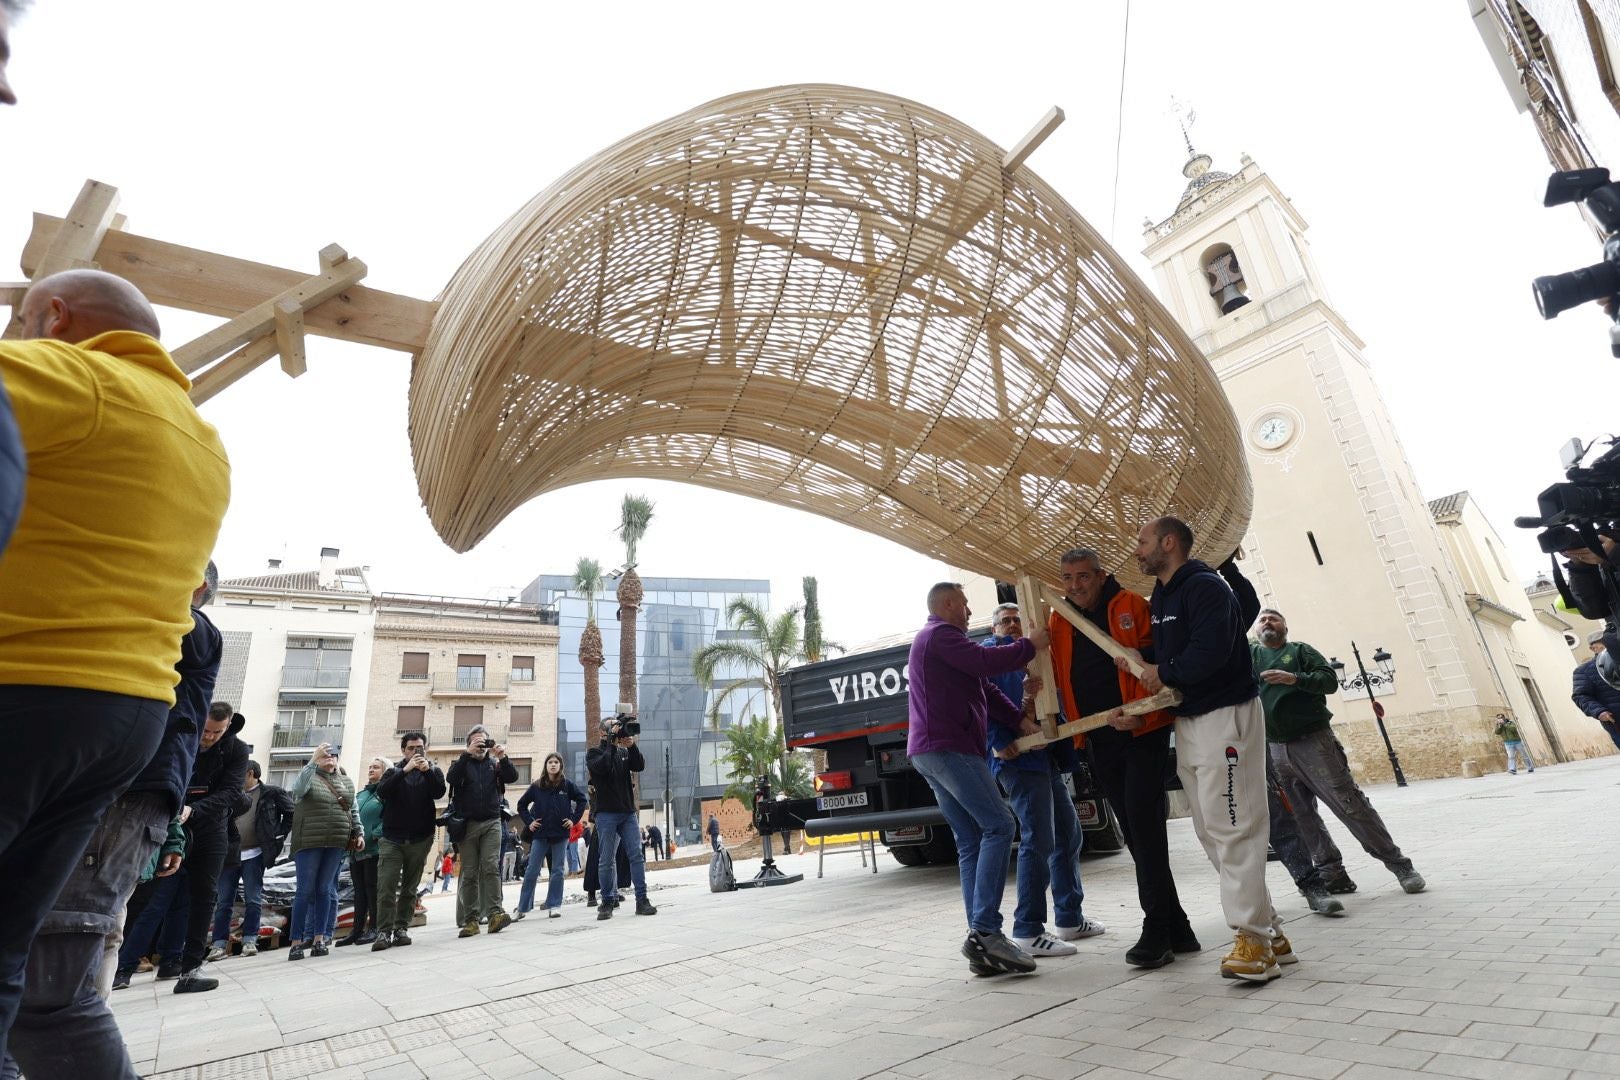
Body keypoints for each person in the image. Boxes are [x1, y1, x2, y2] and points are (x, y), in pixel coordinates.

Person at [0, 269, 231, 1054]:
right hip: (127, 715)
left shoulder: (78, 373)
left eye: (20, 322)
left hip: (25, 683)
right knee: (28, 975)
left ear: (54, 317)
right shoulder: (203, 439)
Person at [7, 573, 219, 1079]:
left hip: (124, 793)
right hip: (94, 783)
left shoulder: (197, 634)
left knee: (54, 983)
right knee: (37, 972)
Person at [1121, 517, 1293, 982]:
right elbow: (1172, 662)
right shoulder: (1162, 595)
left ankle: (1254, 943)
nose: (1137, 550)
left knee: (1234, 824)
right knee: (1209, 829)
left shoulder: (1204, 587)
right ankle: (1269, 927)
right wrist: (1147, 683)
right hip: (1190, 720)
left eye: (1143, 541)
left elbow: (1211, 652)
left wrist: (1163, 670)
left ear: (1169, 543)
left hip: (1225, 716)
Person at [1048, 548, 1197, 969]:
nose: (1075, 585)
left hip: (1141, 734)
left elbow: (1159, 667)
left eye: (1082, 576)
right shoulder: (1059, 619)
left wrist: (1144, 714)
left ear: (1101, 575)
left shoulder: (1133, 606)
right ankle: (1178, 926)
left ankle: (1158, 930)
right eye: (1067, 578)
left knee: (1144, 826)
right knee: (1135, 832)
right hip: (1098, 738)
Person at [908, 581, 1050, 977]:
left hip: (932, 752)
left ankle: (980, 941)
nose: (970, 611)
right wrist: (1031, 645)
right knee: (1000, 825)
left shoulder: (945, 644)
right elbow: (989, 666)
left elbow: (984, 688)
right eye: (966, 604)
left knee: (971, 839)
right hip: (949, 748)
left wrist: (1020, 722)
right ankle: (987, 931)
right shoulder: (939, 635)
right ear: (949, 604)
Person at [1253, 607, 1426, 898]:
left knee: (1350, 804)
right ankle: (1332, 874)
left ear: (1285, 626)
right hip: (1275, 749)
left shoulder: (1300, 651)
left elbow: (1330, 682)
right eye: (1262, 619)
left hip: (1314, 742)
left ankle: (1400, 865)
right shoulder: (1252, 656)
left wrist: (1294, 678)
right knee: (1301, 817)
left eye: (1274, 617)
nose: (1267, 621)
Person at [983, 602, 1105, 960]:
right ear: (994, 630)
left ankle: (1069, 918)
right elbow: (980, 698)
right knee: (1039, 838)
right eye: (1004, 621)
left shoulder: (1035, 653)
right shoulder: (991, 655)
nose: (1011, 625)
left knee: (1067, 833)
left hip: (1044, 756)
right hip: (1018, 757)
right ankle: (1028, 930)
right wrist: (996, 739)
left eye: (1017, 620)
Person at [209, 759, 294, 961]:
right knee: (223, 901)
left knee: (253, 899)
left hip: (255, 854)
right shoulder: (231, 794)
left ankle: (249, 940)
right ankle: (219, 945)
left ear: (250, 773)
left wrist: (278, 835)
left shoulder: (270, 793)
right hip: (229, 855)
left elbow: (291, 813)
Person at [285, 743, 361, 961]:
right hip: (309, 842)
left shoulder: (346, 781)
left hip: (336, 842)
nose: (330, 758)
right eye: (324, 755)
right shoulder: (309, 777)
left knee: (325, 890)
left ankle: (320, 939)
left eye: (334, 755)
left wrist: (359, 832)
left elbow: (352, 810)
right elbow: (297, 790)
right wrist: (311, 762)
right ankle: (296, 942)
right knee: (304, 891)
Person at [372, 731, 445, 951]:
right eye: (411, 748)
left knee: (410, 888)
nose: (416, 751)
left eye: (420, 748)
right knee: (386, 886)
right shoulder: (393, 771)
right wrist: (405, 771)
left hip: (420, 839)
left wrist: (428, 772)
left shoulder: (433, 771)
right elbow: (383, 792)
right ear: (403, 750)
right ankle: (383, 931)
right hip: (392, 839)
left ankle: (401, 928)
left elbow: (439, 792)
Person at [446, 726, 517, 937]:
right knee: (469, 872)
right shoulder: (461, 764)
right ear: (468, 744)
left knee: (491, 866)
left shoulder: (494, 765)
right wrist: (466, 755)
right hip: (467, 825)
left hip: (492, 821)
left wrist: (503, 757)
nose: (480, 745)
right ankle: (471, 920)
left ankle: (495, 913)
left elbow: (512, 776)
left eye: (483, 741)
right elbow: (451, 779)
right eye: (476, 741)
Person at [587, 717, 657, 919]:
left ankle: (641, 900)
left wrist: (632, 746)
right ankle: (607, 901)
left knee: (636, 855)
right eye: (611, 725)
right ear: (602, 732)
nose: (616, 728)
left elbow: (639, 765)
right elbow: (603, 767)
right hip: (606, 814)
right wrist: (610, 743)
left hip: (627, 813)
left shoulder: (624, 752)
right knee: (606, 860)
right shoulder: (594, 753)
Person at [515, 753, 588, 919]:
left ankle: (554, 905)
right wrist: (529, 822)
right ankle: (522, 908)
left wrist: (574, 819)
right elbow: (521, 805)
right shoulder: (537, 786)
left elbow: (582, 800)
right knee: (532, 870)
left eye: (556, 762)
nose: (553, 765)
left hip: (560, 834)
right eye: (550, 762)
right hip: (540, 835)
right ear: (546, 765)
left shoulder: (567, 785)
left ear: (560, 765)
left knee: (557, 871)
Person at [337, 758, 386, 947]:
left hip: (374, 850)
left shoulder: (385, 794)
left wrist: (374, 834)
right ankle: (356, 931)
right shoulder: (361, 794)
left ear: (385, 771)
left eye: (376, 767)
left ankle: (374, 928)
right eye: (370, 767)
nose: (371, 769)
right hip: (356, 852)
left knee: (372, 890)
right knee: (359, 892)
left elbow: (388, 817)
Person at [1571, 631, 1620, 752]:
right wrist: (1599, 711)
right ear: (1593, 648)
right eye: (1604, 644)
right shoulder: (1584, 671)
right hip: (1616, 720)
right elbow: (1580, 696)